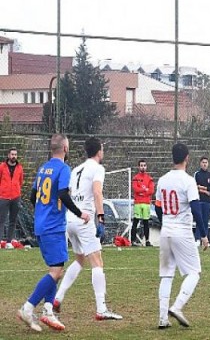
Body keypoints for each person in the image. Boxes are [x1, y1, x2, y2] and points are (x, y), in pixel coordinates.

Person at [18, 134, 90, 332]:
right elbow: (62, 194)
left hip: (41, 225)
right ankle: (29, 306)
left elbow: (33, 196)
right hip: (53, 226)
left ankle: (48, 310)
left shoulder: (43, 169)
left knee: (56, 270)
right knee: (56, 271)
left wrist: (43, 211)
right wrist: (80, 213)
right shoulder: (63, 169)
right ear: (65, 149)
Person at [54, 137, 123, 321]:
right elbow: (97, 192)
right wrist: (101, 217)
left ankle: (58, 297)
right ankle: (101, 309)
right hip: (84, 220)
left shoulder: (76, 169)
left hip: (70, 218)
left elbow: (67, 194)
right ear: (99, 150)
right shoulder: (97, 168)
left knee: (79, 259)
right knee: (97, 262)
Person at [155, 143, 209, 329]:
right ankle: (177, 306)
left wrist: (166, 221)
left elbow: (157, 206)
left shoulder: (162, 180)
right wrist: (203, 234)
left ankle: (162, 318)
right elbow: (196, 209)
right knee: (194, 272)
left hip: (166, 231)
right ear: (187, 158)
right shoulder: (188, 181)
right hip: (182, 231)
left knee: (166, 275)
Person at [0, 147, 23, 242]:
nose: (14, 156)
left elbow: (20, 181)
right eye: (12, 154)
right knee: (1, 220)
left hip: (15, 197)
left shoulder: (20, 167)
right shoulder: (2, 167)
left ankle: (9, 241)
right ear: (8, 155)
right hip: (3, 197)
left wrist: (16, 191)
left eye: (15, 154)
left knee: (13, 221)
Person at [132, 159, 154, 246]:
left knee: (146, 223)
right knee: (135, 221)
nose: (143, 167)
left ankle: (147, 241)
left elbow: (151, 191)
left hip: (146, 203)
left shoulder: (149, 178)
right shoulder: (135, 178)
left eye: (144, 165)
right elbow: (135, 189)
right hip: (138, 203)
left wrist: (142, 191)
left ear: (146, 166)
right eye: (141, 165)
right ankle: (133, 241)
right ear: (139, 166)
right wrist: (144, 190)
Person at [194, 156, 210, 242]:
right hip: (199, 200)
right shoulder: (197, 174)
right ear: (200, 163)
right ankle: (197, 239)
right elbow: (195, 187)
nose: (204, 164)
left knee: (205, 221)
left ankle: (205, 240)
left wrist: (202, 188)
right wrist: (206, 190)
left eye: (206, 162)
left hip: (207, 201)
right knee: (199, 220)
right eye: (203, 162)